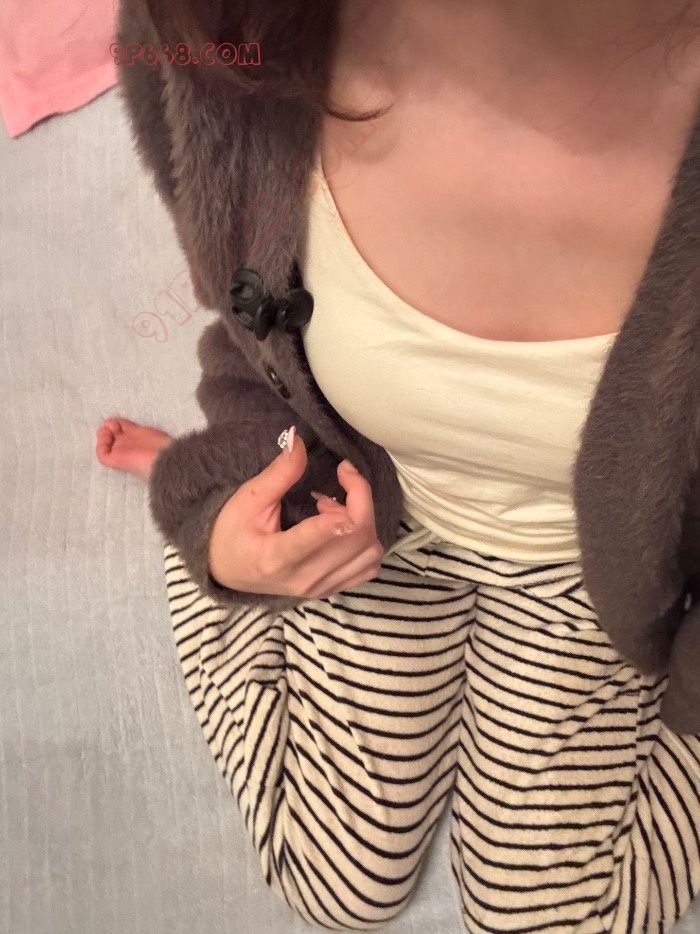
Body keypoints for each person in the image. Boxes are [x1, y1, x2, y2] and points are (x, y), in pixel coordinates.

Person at [96, 1, 700, 930]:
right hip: (360, 510)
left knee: (557, 914)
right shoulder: (220, 39)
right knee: (335, 887)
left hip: (619, 572)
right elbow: (254, 347)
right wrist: (215, 514)